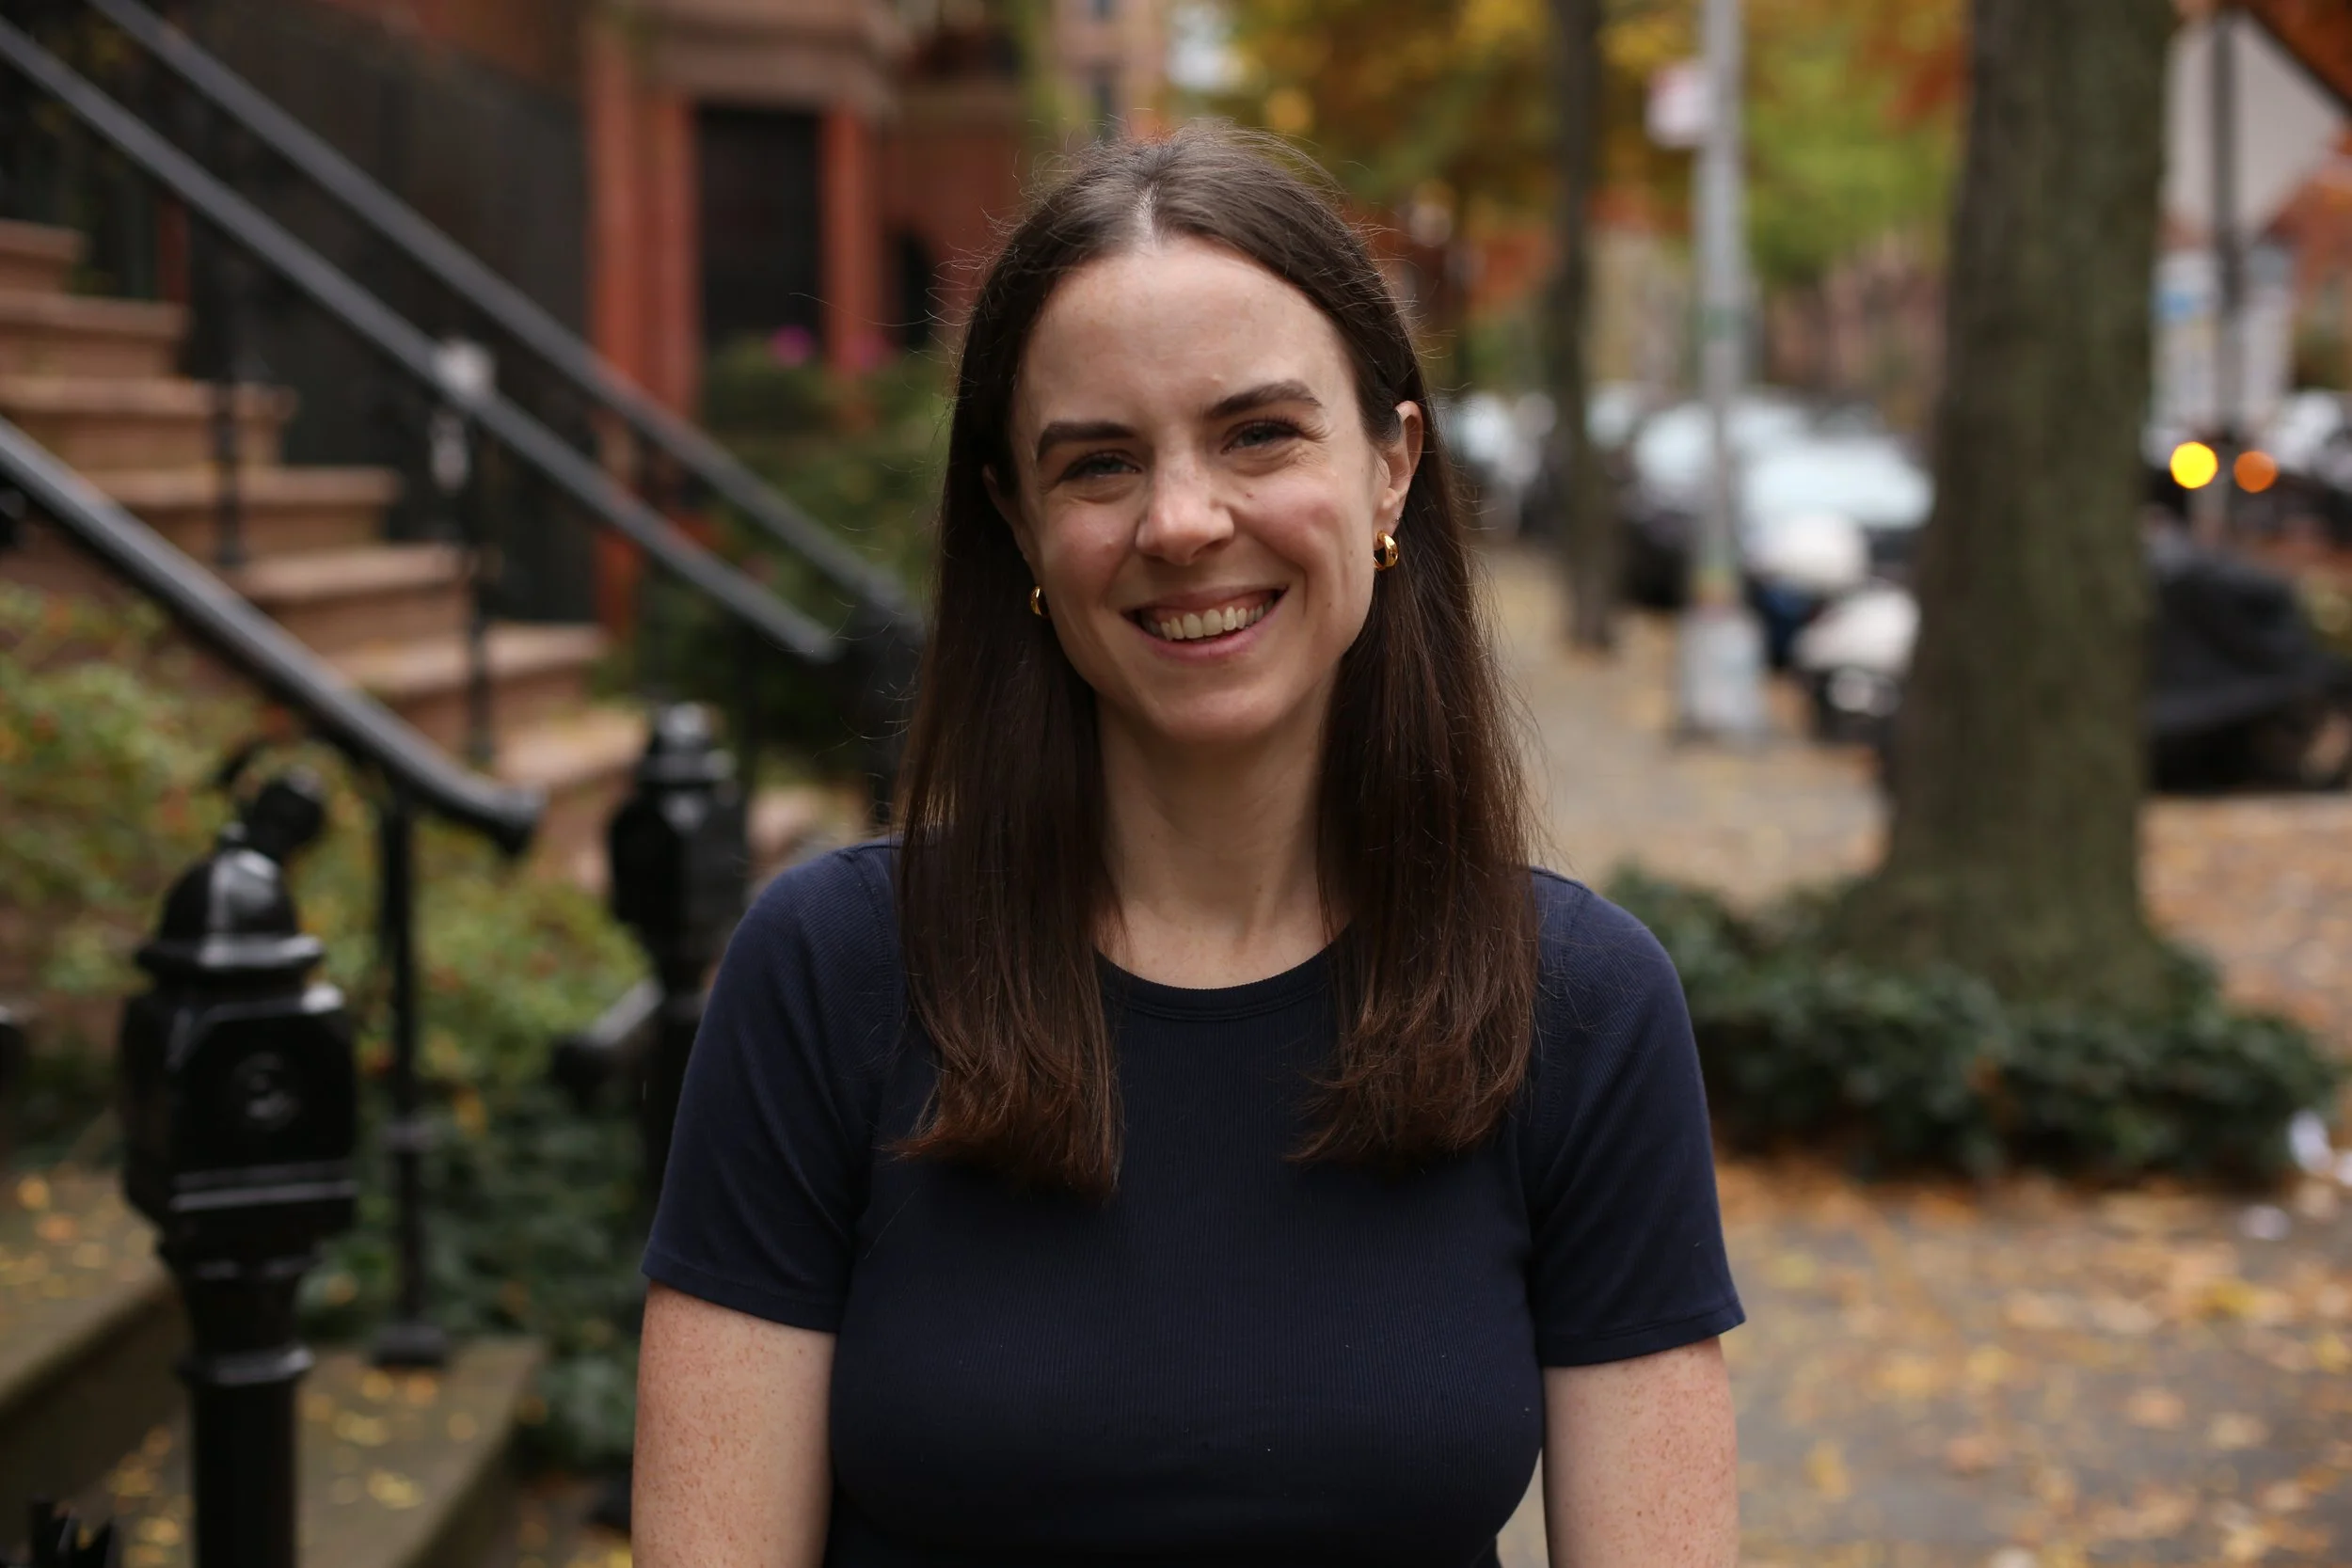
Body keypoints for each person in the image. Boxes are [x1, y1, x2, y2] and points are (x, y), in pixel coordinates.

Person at [634, 125, 1743, 1567]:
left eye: (1259, 432)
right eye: (1099, 463)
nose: (1181, 520)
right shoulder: (830, 978)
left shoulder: (1579, 1008)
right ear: (1017, 523)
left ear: (1392, 463)